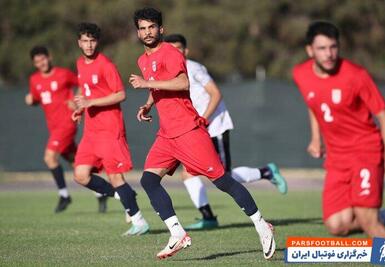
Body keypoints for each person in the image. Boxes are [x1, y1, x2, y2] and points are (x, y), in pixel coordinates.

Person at [130, 7, 275, 260]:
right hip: (166, 135)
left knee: (222, 181)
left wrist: (146, 84)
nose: (147, 32)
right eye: (142, 28)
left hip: (188, 131)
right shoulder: (143, 60)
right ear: (138, 32)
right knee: (148, 181)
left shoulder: (171, 52)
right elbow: (158, 86)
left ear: (160, 29)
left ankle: (262, 224)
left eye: (151, 27)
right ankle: (177, 233)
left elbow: (182, 83)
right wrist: (148, 104)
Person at [163, 34, 288, 230]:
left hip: (214, 126)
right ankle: (208, 217)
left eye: (178, 48)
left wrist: (204, 119)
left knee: (224, 177)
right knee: (188, 174)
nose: (174, 52)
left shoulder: (194, 68)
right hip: (197, 129)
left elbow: (215, 93)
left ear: (185, 51)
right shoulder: (169, 72)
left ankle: (266, 172)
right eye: (170, 49)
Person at [293, 21, 385, 239]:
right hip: (337, 159)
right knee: (336, 225)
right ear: (310, 50)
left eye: (333, 47)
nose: (329, 54)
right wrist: (316, 138)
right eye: (322, 48)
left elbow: (384, 116)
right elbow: (313, 104)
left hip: (366, 152)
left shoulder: (355, 75)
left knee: (367, 220)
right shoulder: (300, 74)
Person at [72, 22, 149, 236]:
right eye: (85, 41)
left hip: (110, 129)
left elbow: (120, 94)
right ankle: (124, 196)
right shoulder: (79, 63)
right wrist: (80, 108)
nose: (88, 45)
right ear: (79, 42)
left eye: (92, 41)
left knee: (115, 177)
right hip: (91, 131)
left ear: (97, 42)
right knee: (80, 175)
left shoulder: (105, 64)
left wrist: (91, 103)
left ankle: (139, 221)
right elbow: (84, 91)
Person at [25, 46, 108, 213]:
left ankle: (64, 195)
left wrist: (76, 101)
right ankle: (101, 192)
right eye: (37, 61)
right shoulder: (34, 80)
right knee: (77, 164)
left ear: (49, 57)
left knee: (49, 158)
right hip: (53, 127)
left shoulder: (63, 74)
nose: (41, 63)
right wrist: (30, 100)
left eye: (43, 59)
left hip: (67, 124)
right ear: (34, 64)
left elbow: (82, 83)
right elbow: (34, 98)